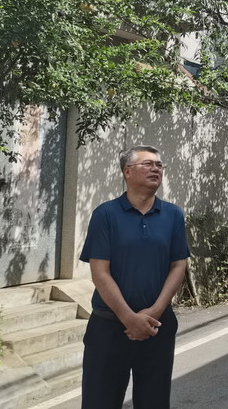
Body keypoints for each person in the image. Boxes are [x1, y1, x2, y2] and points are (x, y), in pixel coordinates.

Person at [79, 145, 190, 409]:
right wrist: (129, 318)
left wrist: (153, 312)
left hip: (157, 327)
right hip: (108, 327)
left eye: (159, 165)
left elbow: (178, 265)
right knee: (99, 402)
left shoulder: (173, 214)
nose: (156, 169)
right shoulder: (105, 214)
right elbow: (100, 272)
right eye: (148, 164)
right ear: (127, 171)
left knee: (154, 402)